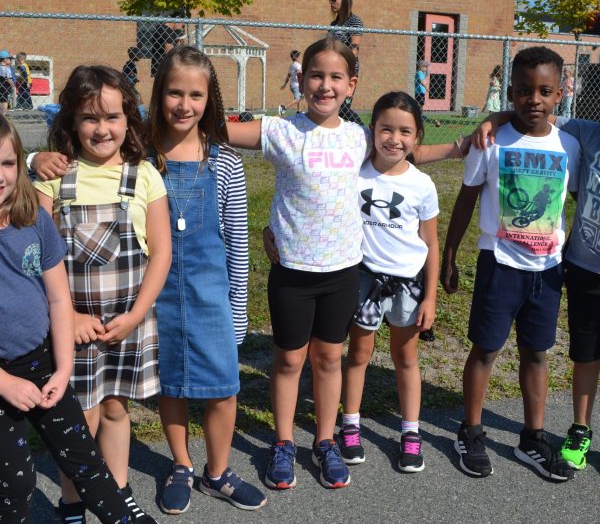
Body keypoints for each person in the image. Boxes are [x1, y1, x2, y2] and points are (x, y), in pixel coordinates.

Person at [233, 36, 467, 491]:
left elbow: (410, 153)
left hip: (343, 273)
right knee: (287, 361)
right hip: (293, 272)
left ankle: (324, 441)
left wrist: (462, 143)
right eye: (316, 75)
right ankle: (283, 444)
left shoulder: (360, 137)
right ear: (301, 79)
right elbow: (218, 129)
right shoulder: (282, 131)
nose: (324, 85)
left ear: (351, 84)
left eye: (335, 77)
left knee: (328, 359)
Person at [34, 65, 171, 522]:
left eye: (112, 117)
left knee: (115, 410)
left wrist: (136, 315)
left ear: (129, 120)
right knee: (81, 422)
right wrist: (68, 316)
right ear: (71, 120)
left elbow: (161, 255)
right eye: (90, 118)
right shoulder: (53, 179)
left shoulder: (144, 175)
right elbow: (33, 259)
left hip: (127, 323)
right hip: (71, 329)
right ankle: (73, 501)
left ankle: (118, 493)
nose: (102, 128)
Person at [0, 115, 150, 524]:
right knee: (14, 482)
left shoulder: (33, 221)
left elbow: (58, 297)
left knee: (87, 461)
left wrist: (63, 368)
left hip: (42, 362)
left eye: (8, 164)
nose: (0, 176)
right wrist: (5, 382)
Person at [441, 46, 580, 482]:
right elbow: (465, 199)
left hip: (548, 269)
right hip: (499, 263)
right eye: (523, 90)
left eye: (543, 91)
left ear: (560, 93)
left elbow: (576, 201)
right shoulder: (491, 140)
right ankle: (472, 430)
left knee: (536, 352)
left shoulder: (569, 146)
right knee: (486, 348)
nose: (533, 99)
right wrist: (448, 255)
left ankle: (533, 438)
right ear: (510, 93)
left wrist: (572, 252)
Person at [144, 45, 266, 514]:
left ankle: (217, 472)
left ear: (208, 99)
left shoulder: (225, 163)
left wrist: (238, 311)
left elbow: (237, 244)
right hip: (156, 297)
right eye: (175, 92)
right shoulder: (140, 157)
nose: (184, 104)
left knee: (223, 385)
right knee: (169, 384)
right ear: (159, 94)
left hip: (212, 297)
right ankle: (180, 464)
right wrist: (39, 164)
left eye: (195, 94)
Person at [337, 91, 439, 472]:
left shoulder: (422, 185)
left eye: (405, 132)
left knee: (405, 359)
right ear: (372, 130)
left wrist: (429, 298)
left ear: (417, 138)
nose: (394, 139)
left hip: (407, 285)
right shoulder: (356, 172)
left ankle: (411, 433)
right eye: (386, 129)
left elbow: (430, 243)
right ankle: (350, 425)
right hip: (363, 280)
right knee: (359, 355)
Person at [328, 0, 364, 124]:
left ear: (345, 1)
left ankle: (364, 130)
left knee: (343, 107)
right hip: (332, 69)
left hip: (347, 68)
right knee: (333, 105)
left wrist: (349, 71)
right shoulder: (334, 24)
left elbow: (354, 48)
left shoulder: (354, 21)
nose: (331, 2)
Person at [278, 50, 303, 116]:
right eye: (299, 56)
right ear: (296, 57)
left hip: (292, 85)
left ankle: (299, 111)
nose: (300, 58)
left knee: (300, 97)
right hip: (297, 85)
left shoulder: (291, 65)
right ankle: (283, 108)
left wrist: (284, 84)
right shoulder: (298, 65)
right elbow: (299, 73)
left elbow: (288, 76)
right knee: (298, 98)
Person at [0, 50, 15, 116]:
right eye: (9, 58)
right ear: (5, 60)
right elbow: (9, 79)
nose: (10, 60)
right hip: (5, 87)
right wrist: (13, 86)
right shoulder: (6, 69)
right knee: (5, 101)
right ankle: (3, 114)